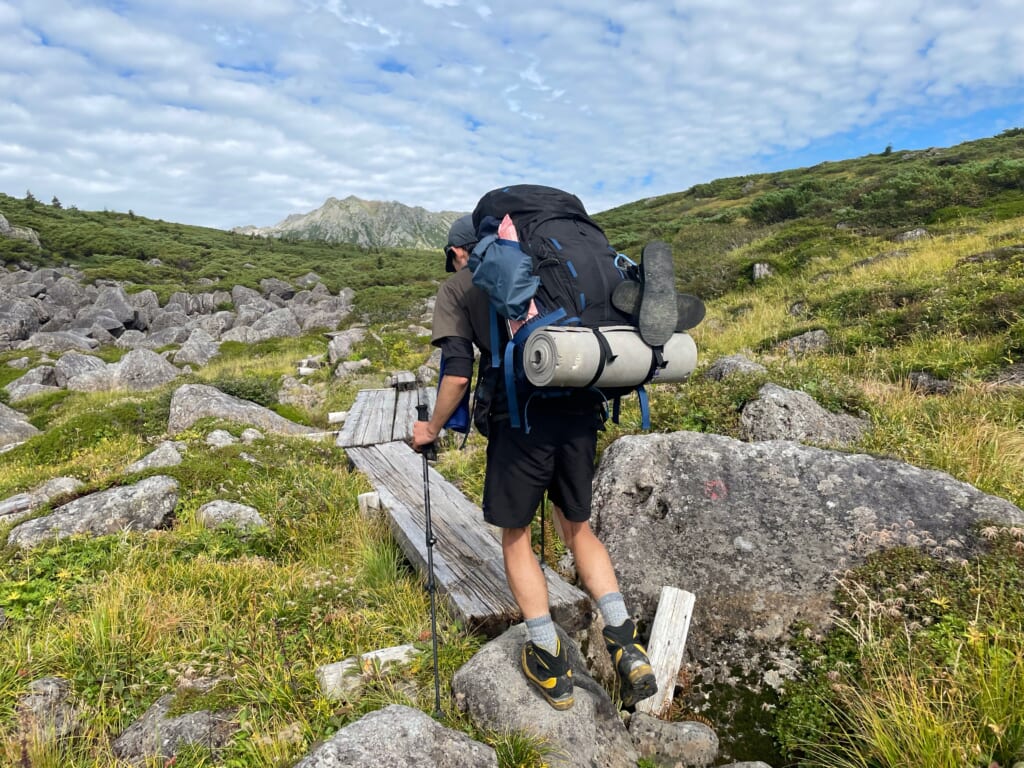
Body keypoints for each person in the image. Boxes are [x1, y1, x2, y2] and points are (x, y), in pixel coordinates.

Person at [412, 214, 658, 711]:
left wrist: (430, 429)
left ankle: (546, 656)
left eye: (451, 256)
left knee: (516, 535)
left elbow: (457, 376)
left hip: (522, 420)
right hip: (581, 405)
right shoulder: (545, 271)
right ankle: (625, 641)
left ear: (462, 251)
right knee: (579, 530)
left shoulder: (460, 288)